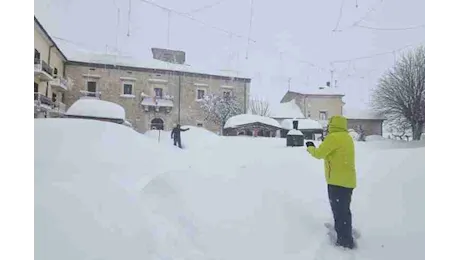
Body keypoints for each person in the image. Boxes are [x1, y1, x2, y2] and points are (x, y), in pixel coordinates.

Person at [305, 115, 357, 249]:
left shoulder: (333, 137)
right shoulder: (347, 138)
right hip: (348, 181)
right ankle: (346, 234)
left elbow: (319, 154)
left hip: (336, 181)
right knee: (344, 210)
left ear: (333, 125)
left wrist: (310, 147)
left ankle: (345, 241)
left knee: (339, 211)